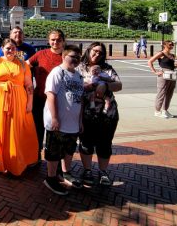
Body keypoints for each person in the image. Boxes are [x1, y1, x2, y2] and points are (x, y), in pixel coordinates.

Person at [0, 38, 38, 176]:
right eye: (8, 48)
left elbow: (28, 85)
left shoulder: (22, 64)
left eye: (13, 48)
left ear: (16, 50)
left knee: (16, 130)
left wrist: (30, 102)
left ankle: (16, 161)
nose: (10, 50)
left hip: (19, 100)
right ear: (2, 49)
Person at [78, 42, 122, 187]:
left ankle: (103, 172)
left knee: (104, 143)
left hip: (107, 113)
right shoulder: (79, 67)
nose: (97, 54)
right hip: (86, 112)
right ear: (88, 50)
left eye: (101, 53)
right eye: (95, 51)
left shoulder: (107, 69)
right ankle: (87, 170)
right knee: (86, 142)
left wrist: (106, 85)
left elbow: (119, 85)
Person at [43, 45, 84, 195]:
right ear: (63, 56)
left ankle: (65, 173)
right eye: (72, 57)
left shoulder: (79, 76)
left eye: (78, 57)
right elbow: (51, 95)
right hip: (58, 123)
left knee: (68, 150)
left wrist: (80, 121)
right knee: (53, 152)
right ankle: (51, 177)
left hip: (72, 123)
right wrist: (54, 118)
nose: (76, 60)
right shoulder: (57, 72)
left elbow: (81, 99)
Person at [27, 29, 65, 162]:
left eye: (58, 40)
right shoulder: (40, 54)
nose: (55, 42)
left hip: (59, 101)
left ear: (63, 41)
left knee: (56, 131)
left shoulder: (67, 57)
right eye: (53, 39)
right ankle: (36, 154)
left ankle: (55, 158)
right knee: (37, 128)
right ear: (48, 41)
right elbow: (26, 66)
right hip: (40, 98)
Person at [148, 40, 177, 119]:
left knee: (169, 93)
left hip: (172, 75)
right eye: (170, 45)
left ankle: (165, 110)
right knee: (161, 93)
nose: (171, 46)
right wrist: (155, 71)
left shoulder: (172, 55)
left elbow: (171, 66)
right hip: (163, 74)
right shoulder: (161, 53)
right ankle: (157, 111)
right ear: (165, 45)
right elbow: (150, 61)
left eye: (172, 45)